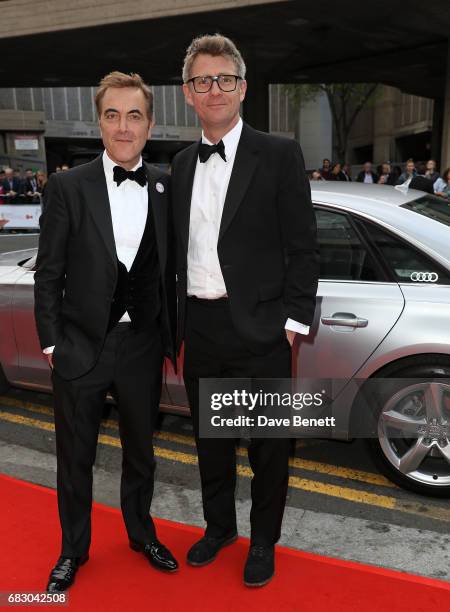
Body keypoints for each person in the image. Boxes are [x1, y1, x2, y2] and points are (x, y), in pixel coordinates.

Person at [172, 34, 319, 588]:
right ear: (188, 93)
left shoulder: (278, 153)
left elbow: (303, 247)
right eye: (202, 80)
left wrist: (291, 324)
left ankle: (263, 542)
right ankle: (219, 529)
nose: (214, 89)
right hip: (202, 327)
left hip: (262, 331)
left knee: (268, 448)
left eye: (224, 79)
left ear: (243, 87)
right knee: (210, 443)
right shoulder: (181, 164)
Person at [34, 71, 178, 593]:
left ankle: (141, 534)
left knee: (142, 451)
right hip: (80, 347)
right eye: (112, 115)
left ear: (150, 123)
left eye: (134, 115)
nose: (123, 126)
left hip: (141, 345)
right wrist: (52, 343)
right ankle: (73, 549)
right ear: (99, 122)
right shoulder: (68, 186)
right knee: (76, 456)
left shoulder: (165, 185)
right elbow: (48, 273)